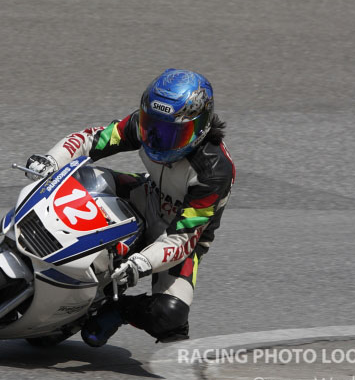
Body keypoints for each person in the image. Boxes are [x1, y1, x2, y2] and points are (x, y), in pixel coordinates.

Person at [25, 69, 235, 346]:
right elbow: (93, 139)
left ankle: (119, 308)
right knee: (78, 178)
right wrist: (53, 160)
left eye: (173, 133)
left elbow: (183, 238)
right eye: (153, 126)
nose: (158, 139)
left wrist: (144, 262)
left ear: (200, 127)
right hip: (144, 196)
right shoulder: (147, 126)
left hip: (178, 236)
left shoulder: (214, 172)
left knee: (169, 316)